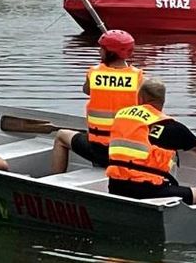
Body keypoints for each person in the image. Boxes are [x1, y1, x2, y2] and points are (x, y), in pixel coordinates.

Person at [106, 78, 196, 205]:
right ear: (163, 100)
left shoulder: (121, 115)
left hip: (116, 185)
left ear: (140, 98)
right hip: (149, 190)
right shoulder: (171, 127)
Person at [51, 29, 142, 174]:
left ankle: (54, 180)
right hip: (127, 150)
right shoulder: (139, 78)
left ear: (109, 52)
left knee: (61, 136)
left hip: (99, 148)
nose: (99, 52)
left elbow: (87, 90)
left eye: (102, 48)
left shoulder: (94, 73)